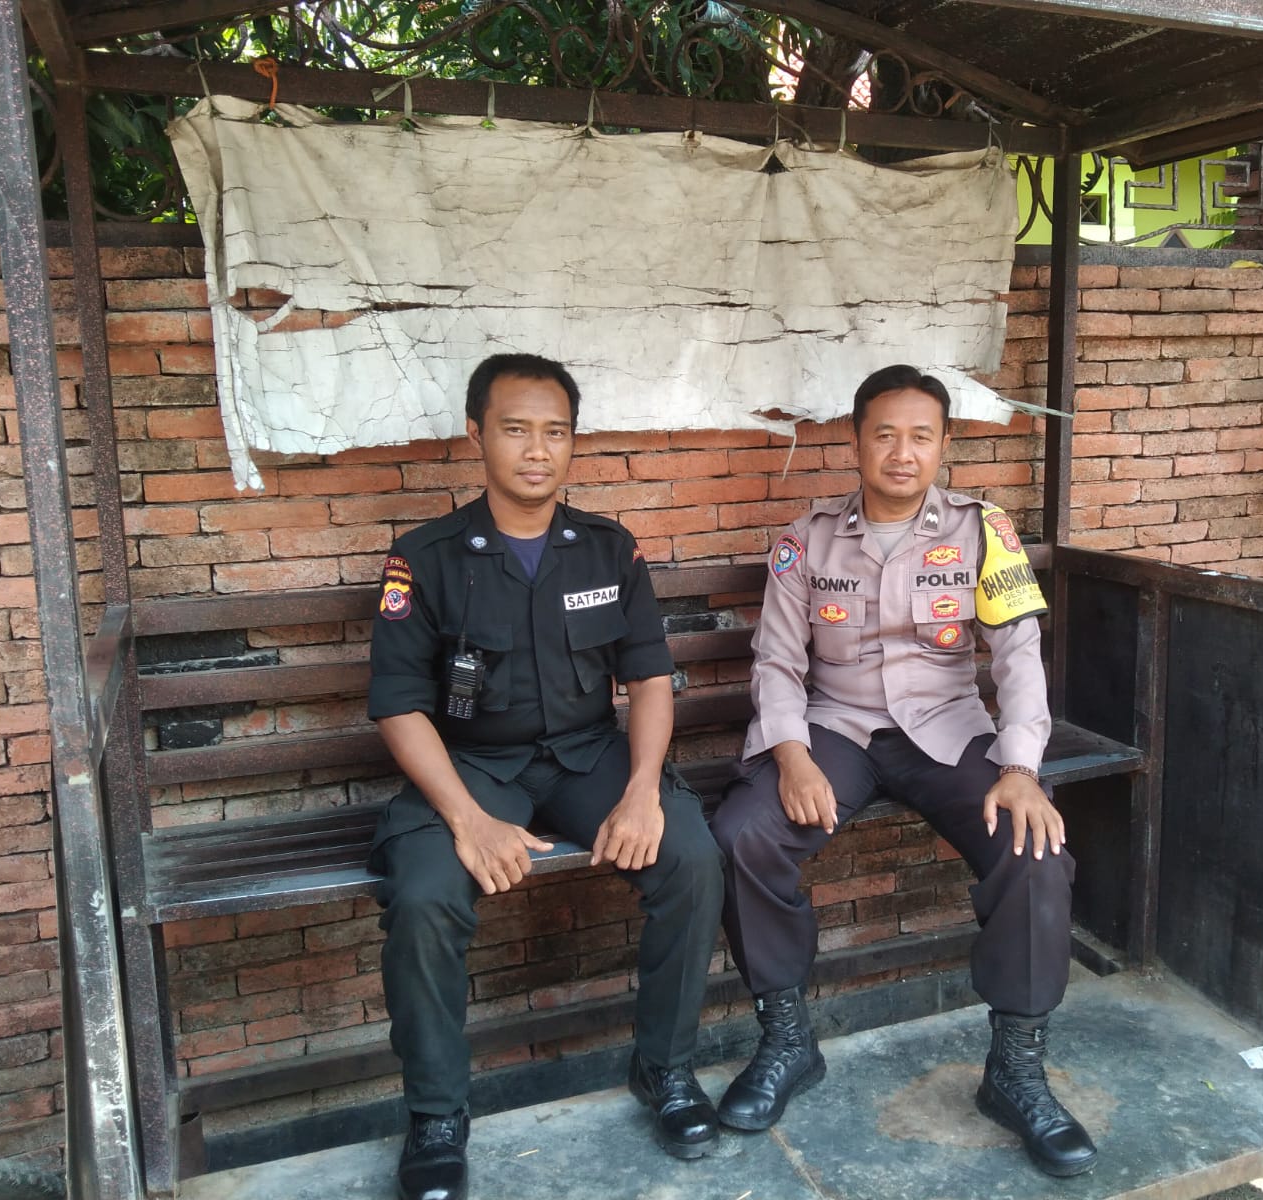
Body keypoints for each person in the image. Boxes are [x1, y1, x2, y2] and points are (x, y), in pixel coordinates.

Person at [709, 364, 1097, 1178]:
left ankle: (1015, 1067)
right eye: (884, 434)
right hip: (836, 729)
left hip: (946, 730)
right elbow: (776, 661)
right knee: (745, 832)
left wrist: (1020, 766)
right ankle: (786, 1040)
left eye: (921, 436)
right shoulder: (807, 539)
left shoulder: (986, 532)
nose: (902, 452)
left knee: (1033, 850)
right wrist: (789, 755)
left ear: (945, 444)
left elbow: (1019, 657)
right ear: (855, 442)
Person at [367, 354, 725, 1200]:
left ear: (572, 442)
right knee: (423, 893)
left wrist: (643, 791)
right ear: (476, 436)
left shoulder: (607, 549)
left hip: (588, 758)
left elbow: (649, 679)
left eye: (555, 432)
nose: (537, 450)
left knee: (692, 857)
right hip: (472, 769)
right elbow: (398, 707)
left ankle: (665, 1068)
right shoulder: (425, 558)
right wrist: (466, 820)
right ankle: (437, 1117)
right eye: (516, 430)